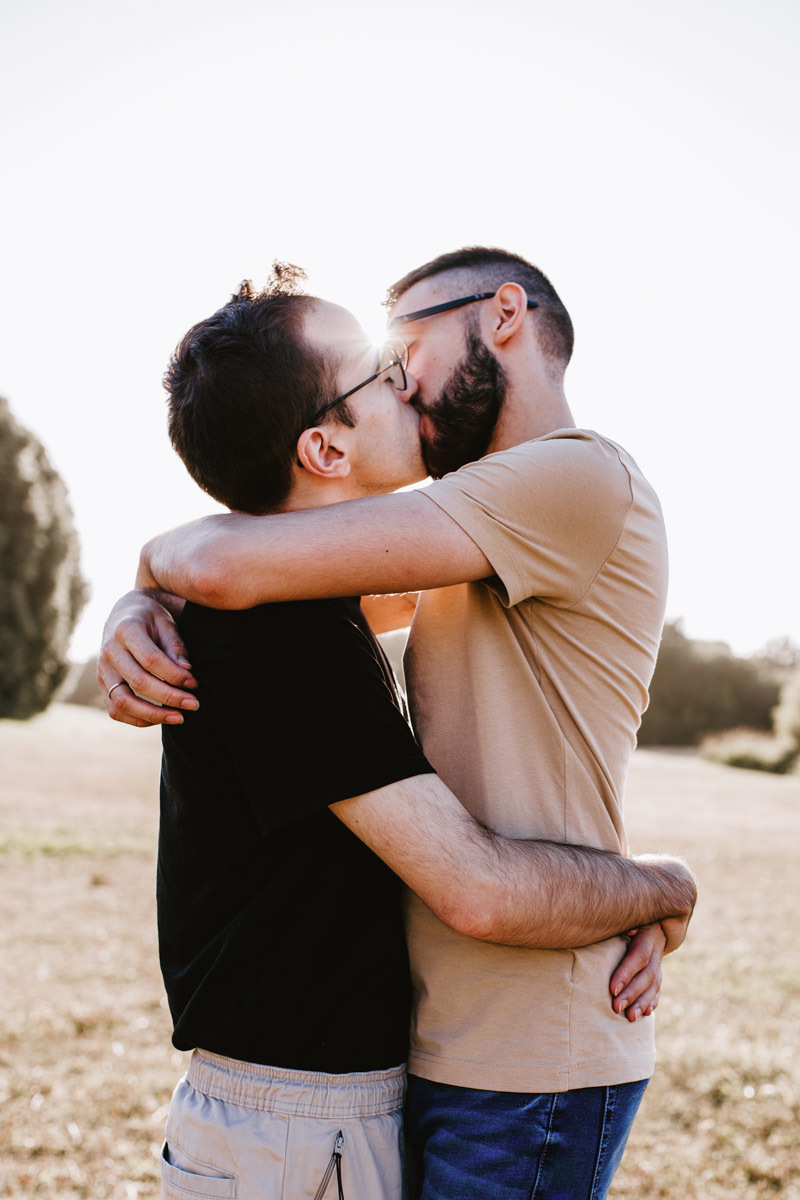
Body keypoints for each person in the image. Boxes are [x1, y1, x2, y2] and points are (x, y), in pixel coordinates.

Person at [99, 251, 691, 1200]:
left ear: (503, 314)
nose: (405, 378)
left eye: (405, 347)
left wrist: (151, 578)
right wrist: (143, 602)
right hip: (435, 1042)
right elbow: (244, 582)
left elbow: (223, 566)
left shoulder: (571, 480)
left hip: (531, 1043)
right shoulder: (459, 535)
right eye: (386, 366)